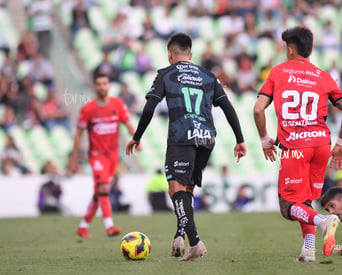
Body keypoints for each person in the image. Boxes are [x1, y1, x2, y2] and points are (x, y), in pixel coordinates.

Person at [126, 33, 247, 261]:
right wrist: (240, 139)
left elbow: (150, 106)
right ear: (190, 55)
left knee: (176, 190)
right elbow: (228, 107)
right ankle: (180, 235)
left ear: (170, 54)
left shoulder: (166, 74)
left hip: (182, 136)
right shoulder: (208, 75)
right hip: (207, 138)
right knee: (185, 191)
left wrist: (137, 136)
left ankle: (196, 242)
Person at [253, 26, 342, 262]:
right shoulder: (323, 76)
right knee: (305, 201)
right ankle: (309, 249)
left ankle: (323, 221)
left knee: (287, 205)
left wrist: (264, 139)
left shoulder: (278, 72)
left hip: (295, 148)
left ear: (290, 50)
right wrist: (341, 143)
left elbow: (258, 109)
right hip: (321, 145)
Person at [68, 73, 136, 238]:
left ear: (109, 86)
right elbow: (78, 135)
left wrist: (136, 140)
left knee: (99, 192)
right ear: (94, 87)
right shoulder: (88, 109)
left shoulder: (118, 104)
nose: (102, 87)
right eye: (98, 84)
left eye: (104, 83)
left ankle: (83, 226)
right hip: (97, 155)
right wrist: (74, 160)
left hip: (112, 156)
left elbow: (128, 124)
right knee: (105, 188)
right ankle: (109, 226)